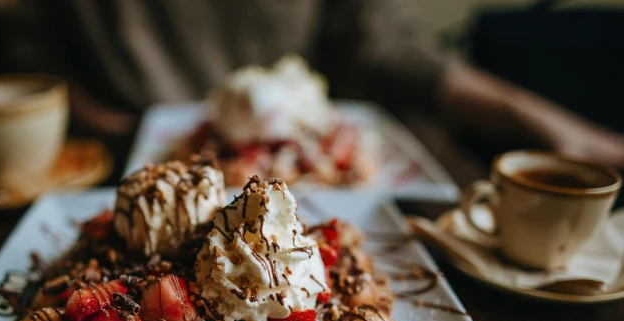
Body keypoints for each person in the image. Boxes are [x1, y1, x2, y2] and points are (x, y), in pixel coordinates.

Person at [40, 0, 624, 168]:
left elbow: (381, 44)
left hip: (304, 135)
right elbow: (21, 44)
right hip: (113, 148)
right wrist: (114, 130)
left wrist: (535, 116)